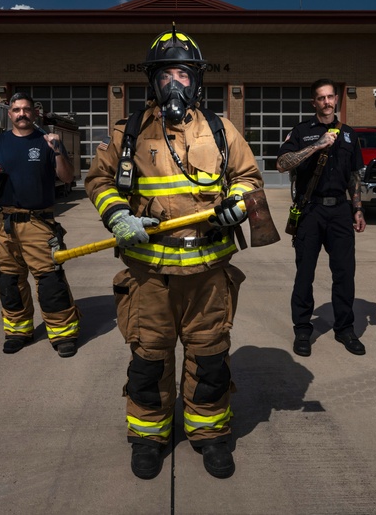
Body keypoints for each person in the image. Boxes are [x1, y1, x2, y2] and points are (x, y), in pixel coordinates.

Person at [85, 28, 263, 480]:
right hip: (150, 274)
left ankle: (209, 434)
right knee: (149, 358)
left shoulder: (222, 130)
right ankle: (148, 436)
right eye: (165, 74)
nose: (174, 84)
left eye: (182, 73)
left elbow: (249, 179)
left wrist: (237, 206)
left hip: (208, 273)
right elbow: (99, 182)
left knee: (209, 357)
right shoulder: (128, 132)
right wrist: (117, 217)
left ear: (197, 80)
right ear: (153, 81)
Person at [0, 92, 81, 358]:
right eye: (16, 110)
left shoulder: (47, 142)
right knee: (9, 282)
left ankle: (63, 334)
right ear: (9, 114)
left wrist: (57, 148)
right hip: (3, 224)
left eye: (26, 109)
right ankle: (18, 332)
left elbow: (67, 177)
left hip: (38, 223)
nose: (22, 114)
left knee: (50, 281)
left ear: (34, 113)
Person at [276, 79, 367, 358]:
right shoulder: (302, 131)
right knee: (305, 273)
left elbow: (354, 176)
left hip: (340, 211)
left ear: (336, 99)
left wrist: (358, 208)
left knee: (344, 273)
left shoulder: (349, 135)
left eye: (330, 97)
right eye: (321, 98)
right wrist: (316, 145)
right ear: (314, 102)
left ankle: (344, 329)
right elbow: (281, 164)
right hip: (310, 210)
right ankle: (303, 329)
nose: (326, 102)